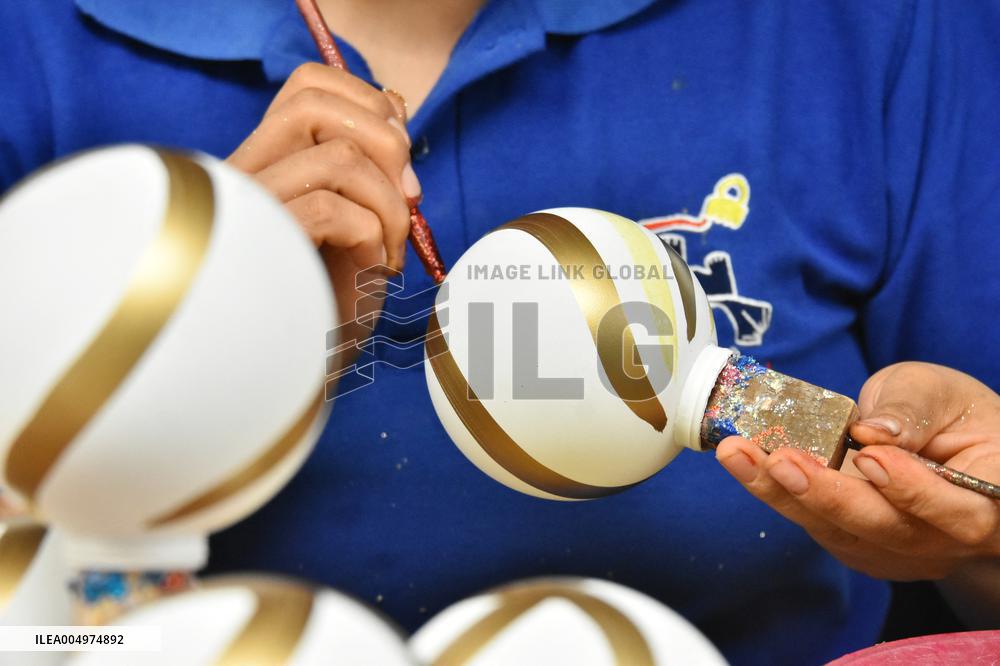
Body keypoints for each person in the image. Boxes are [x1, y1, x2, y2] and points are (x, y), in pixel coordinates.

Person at [1, 0, 998, 662]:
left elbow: (979, 511)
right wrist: (174, 347)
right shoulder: (34, 43)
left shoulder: (878, 24)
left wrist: (980, 540)